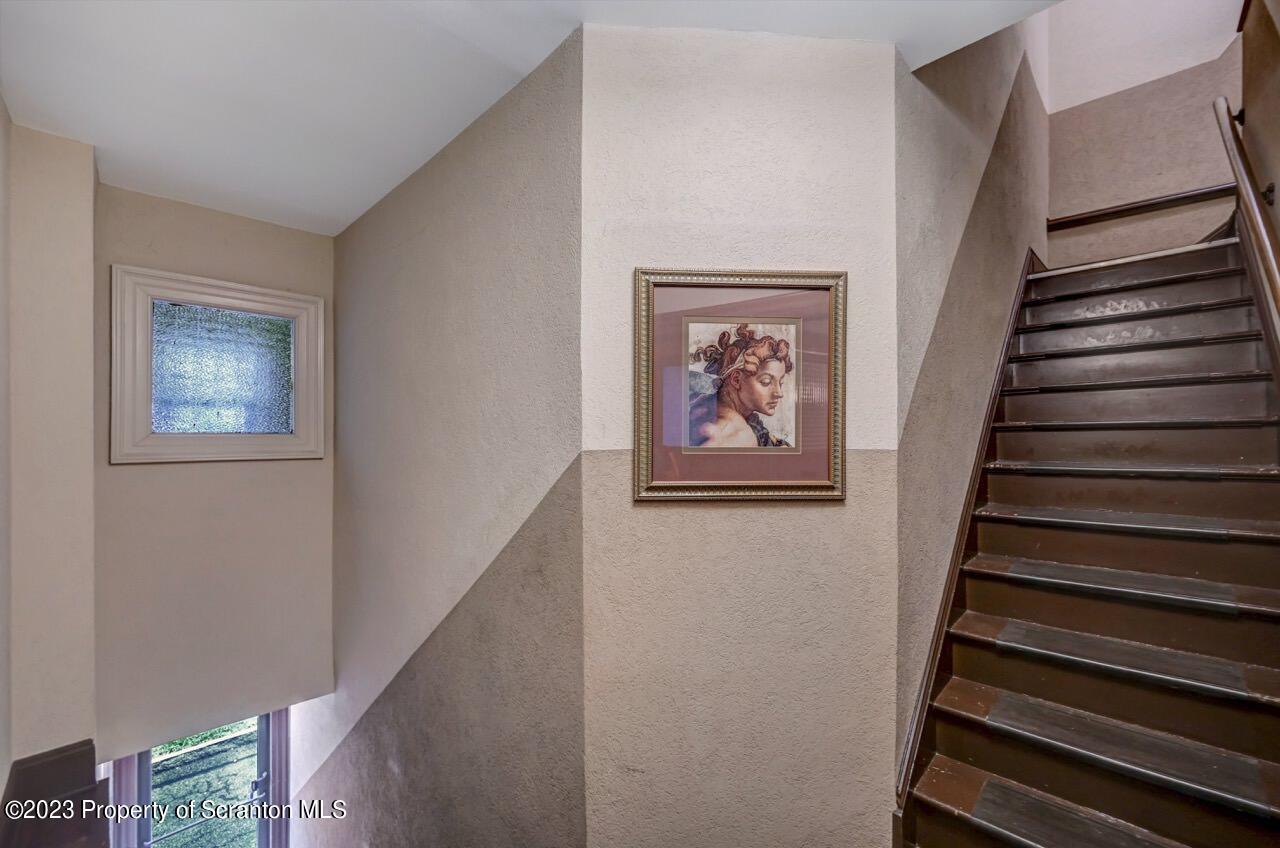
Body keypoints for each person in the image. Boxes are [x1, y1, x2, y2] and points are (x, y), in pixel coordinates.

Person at [689, 323, 793, 448]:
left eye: (780, 383)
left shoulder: (703, 404)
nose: (779, 393)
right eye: (766, 382)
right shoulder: (738, 435)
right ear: (736, 380)